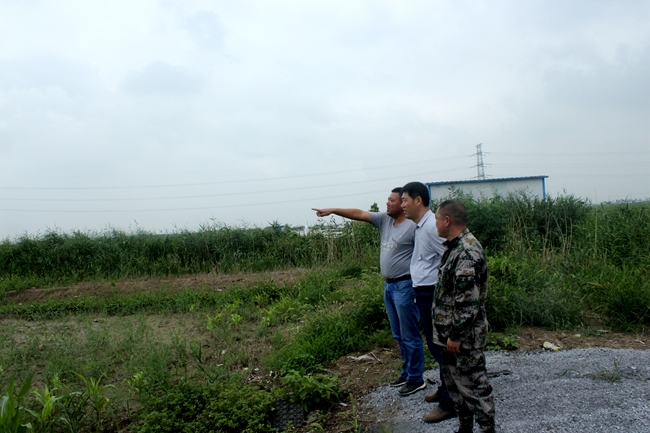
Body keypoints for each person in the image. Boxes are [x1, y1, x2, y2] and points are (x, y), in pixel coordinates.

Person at [312, 188, 426, 396]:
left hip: (405, 286)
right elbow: (359, 213)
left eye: (392, 200)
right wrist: (334, 210)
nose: (387, 203)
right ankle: (406, 372)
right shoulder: (385, 220)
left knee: (410, 335)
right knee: (398, 335)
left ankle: (416, 378)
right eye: (388, 200)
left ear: (403, 204)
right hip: (389, 286)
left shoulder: (413, 226)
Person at [433, 199, 495, 433]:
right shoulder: (454, 247)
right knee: (457, 388)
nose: (435, 223)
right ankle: (465, 427)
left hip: (463, 338)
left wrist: (456, 335)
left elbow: (467, 301)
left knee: (474, 386)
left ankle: (487, 429)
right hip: (449, 336)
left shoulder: (467, 251)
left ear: (447, 220)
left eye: (437, 218)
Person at [400, 182, 456, 424]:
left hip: (432, 292)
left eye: (405, 200)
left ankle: (450, 403)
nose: (402, 205)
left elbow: (450, 258)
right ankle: (445, 390)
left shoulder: (432, 227)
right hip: (423, 291)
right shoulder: (420, 226)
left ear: (418, 200)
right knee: (435, 345)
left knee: (439, 348)